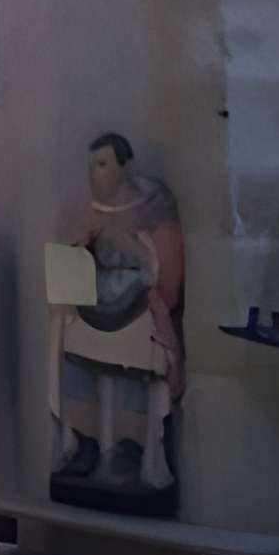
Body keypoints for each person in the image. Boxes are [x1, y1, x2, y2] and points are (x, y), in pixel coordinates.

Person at [52, 131, 185, 506]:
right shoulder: (91, 210)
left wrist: (133, 250)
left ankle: (148, 458)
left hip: (139, 307)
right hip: (99, 306)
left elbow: (165, 275)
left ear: (125, 167)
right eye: (91, 166)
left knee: (143, 358)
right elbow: (73, 260)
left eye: (103, 164)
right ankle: (92, 444)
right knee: (71, 339)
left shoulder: (153, 207)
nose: (95, 174)